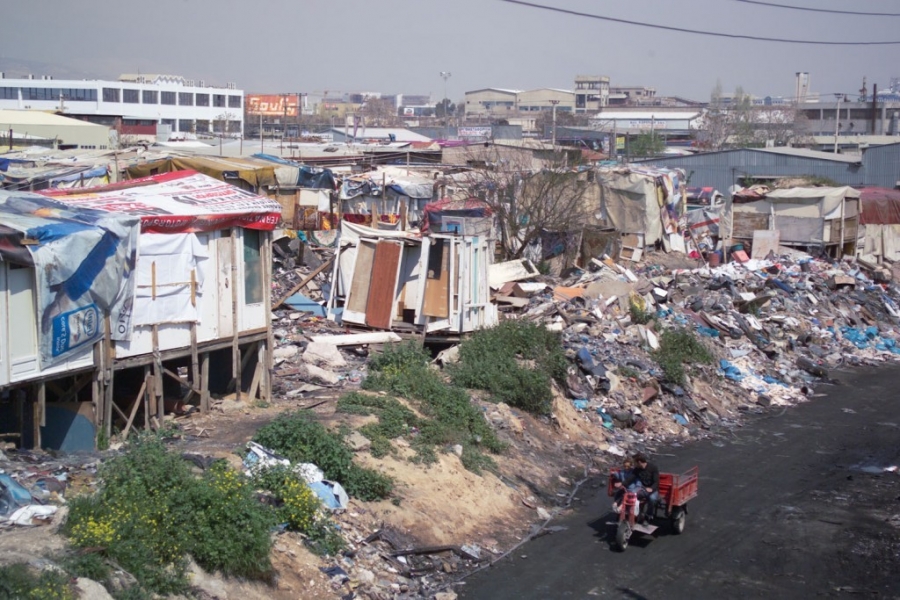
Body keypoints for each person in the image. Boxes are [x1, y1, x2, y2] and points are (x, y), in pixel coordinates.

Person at [625, 453, 660, 521]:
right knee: (631, 495)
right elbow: (630, 478)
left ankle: (649, 515)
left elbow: (656, 482)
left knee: (652, 499)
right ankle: (633, 513)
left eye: (635, 463)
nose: (634, 465)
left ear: (639, 462)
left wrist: (651, 488)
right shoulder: (637, 469)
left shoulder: (653, 468)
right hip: (642, 489)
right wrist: (622, 484)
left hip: (653, 490)